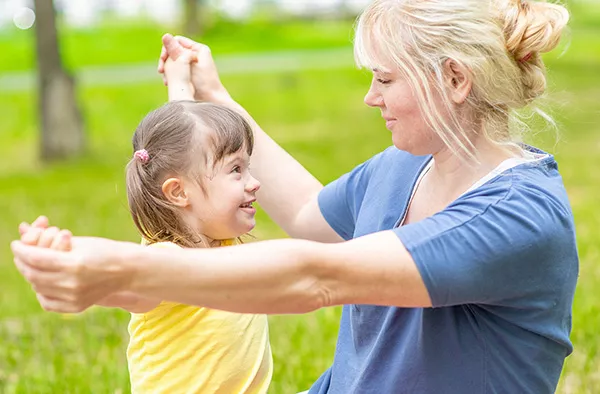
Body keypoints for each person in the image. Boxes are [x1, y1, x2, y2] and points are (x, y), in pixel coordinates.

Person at [13, 0, 578, 393]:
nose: (368, 98)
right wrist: (214, 98)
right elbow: (310, 216)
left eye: (384, 79)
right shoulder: (404, 165)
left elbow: (317, 277)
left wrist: (122, 270)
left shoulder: (518, 216)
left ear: (455, 80)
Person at [19, 53, 272, 393]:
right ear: (179, 192)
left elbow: (185, 138)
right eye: (236, 170)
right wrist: (66, 256)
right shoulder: (165, 262)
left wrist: (180, 79)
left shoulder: (215, 235)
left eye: (249, 168)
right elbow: (122, 278)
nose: (253, 182)